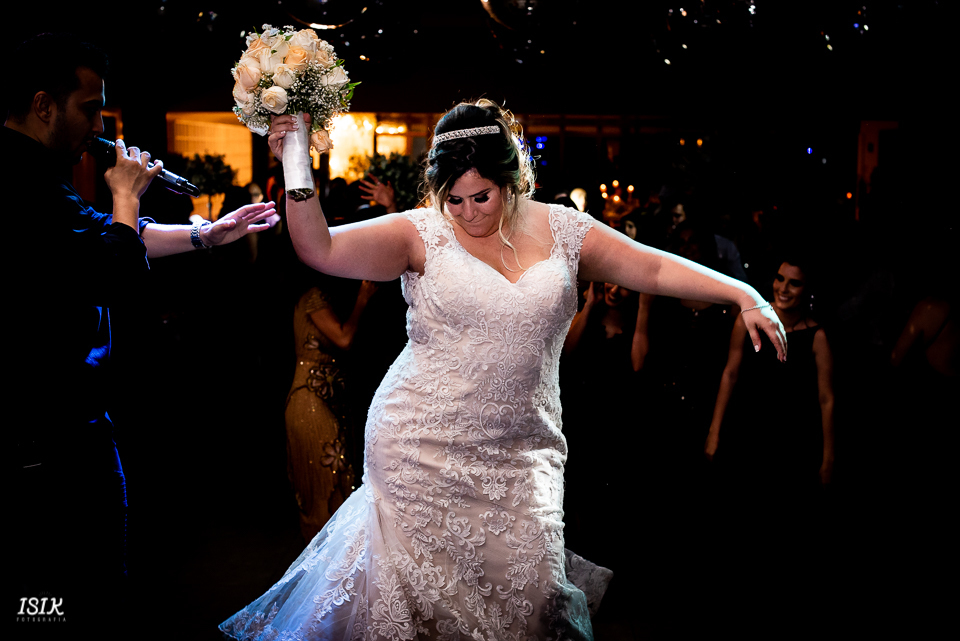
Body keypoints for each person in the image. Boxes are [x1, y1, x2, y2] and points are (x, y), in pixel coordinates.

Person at [220, 99, 786, 640]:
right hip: (420, 448)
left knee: (535, 604)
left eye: (482, 196)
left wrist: (743, 293)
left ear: (512, 179)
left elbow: (655, 270)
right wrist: (296, 157)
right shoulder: (419, 233)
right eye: (454, 198)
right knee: (414, 615)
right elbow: (318, 249)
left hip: (523, 455)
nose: (467, 213)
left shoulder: (565, 231)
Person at [6, 32, 278, 637]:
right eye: (89, 108)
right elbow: (116, 270)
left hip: (65, 426)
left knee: (80, 589)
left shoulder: (37, 176)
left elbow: (108, 238)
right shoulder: (14, 185)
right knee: (70, 597)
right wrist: (125, 193)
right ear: (44, 105)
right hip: (46, 438)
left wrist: (209, 234)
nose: (98, 124)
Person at [285, 276, 378, 542]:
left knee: (338, 475)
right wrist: (362, 299)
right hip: (310, 403)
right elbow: (344, 338)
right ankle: (327, 563)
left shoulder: (324, 298)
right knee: (326, 478)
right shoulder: (313, 296)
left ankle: (339, 562)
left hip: (325, 398)